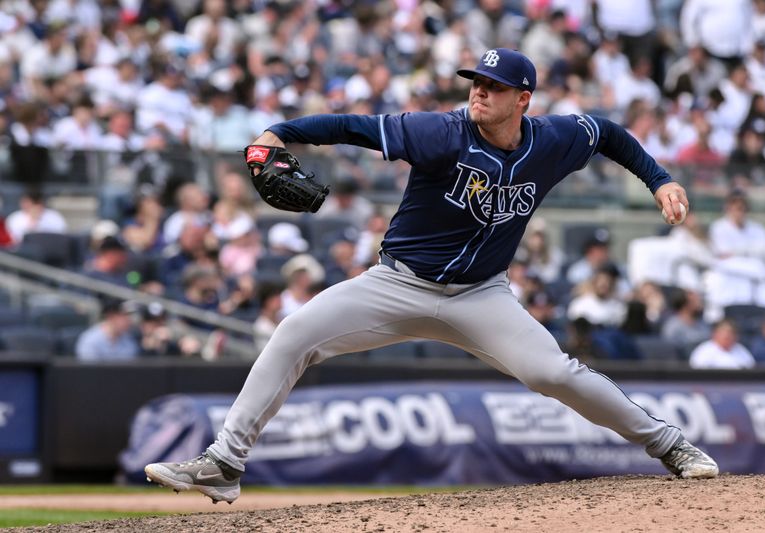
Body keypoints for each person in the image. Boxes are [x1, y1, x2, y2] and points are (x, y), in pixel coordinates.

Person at [145, 48, 718, 504]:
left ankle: (672, 446)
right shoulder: (440, 132)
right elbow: (352, 126)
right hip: (396, 284)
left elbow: (611, 134)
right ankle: (224, 463)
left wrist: (659, 179)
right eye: (475, 81)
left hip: (481, 295)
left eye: (492, 87)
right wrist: (278, 132)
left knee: (553, 373)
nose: (478, 92)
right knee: (293, 334)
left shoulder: (554, 140)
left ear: (523, 99)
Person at [689, 318, 756, 369]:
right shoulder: (704, 351)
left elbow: (751, 369)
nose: (727, 335)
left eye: (731, 333)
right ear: (714, 334)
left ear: (736, 336)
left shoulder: (742, 351)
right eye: (723, 332)